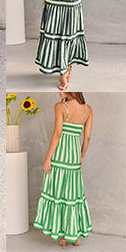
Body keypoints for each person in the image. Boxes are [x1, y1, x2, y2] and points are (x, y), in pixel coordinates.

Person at [33, 93, 93, 246]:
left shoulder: (60, 107)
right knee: (73, 195)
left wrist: (48, 158)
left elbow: (58, 134)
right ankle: (75, 235)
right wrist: (81, 155)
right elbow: (87, 138)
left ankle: (63, 236)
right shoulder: (88, 110)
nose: (59, 93)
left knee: (59, 194)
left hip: (59, 157)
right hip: (73, 157)